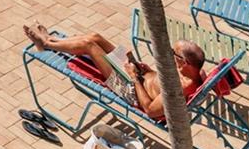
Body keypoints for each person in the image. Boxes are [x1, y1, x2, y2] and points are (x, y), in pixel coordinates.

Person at [23, 24, 205, 122]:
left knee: (89, 46)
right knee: (95, 37)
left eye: (173, 53)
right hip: (139, 76)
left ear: (184, 62)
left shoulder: (178, 88)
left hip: (130, 89)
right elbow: (158, 83)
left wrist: (134, 78)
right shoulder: (194, 70)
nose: (169, 54)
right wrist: (147, 71)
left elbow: (150, 111)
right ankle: (51, 39)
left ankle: (45, 44)